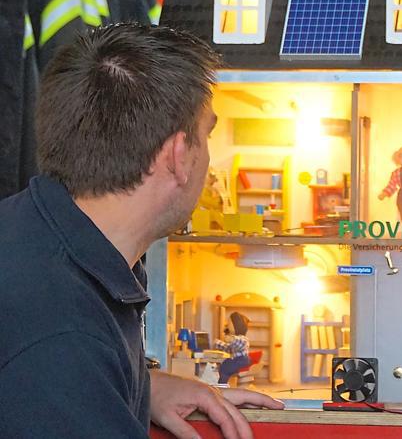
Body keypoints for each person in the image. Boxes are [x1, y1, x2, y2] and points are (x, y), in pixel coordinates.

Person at [0, 23, 285, 438]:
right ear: (179, 156)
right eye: (207, 136)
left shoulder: (32, 234)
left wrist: (137, 388)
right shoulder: (62, 337)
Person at [215, 312, 253, 385]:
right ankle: (222, 382)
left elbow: (239, 342)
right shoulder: (234, 340)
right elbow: (228, 348)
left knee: (225, 368)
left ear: (236, 325)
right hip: (237, 360)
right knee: (224, 364)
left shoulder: (243, 339)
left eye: (229, 323)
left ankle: (222, 384)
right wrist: (217, 343)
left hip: (241, 360)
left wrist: (232, 339)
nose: (227, 325)